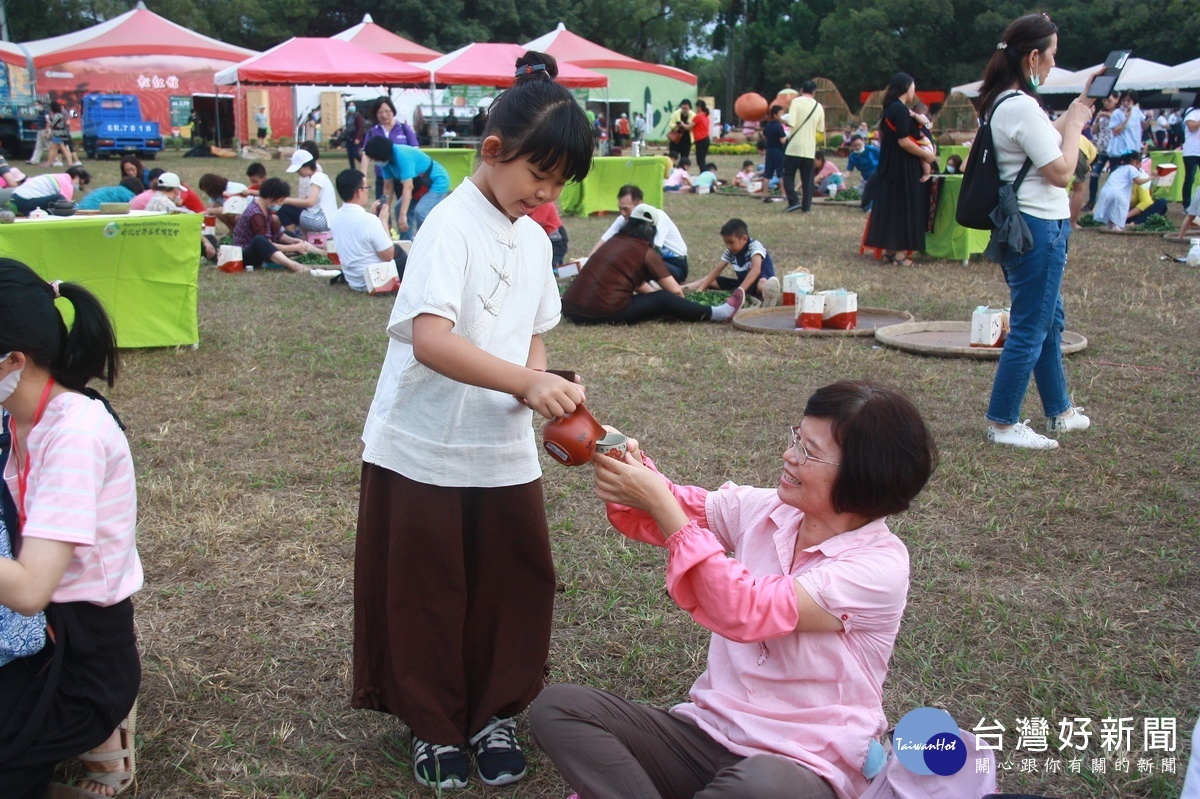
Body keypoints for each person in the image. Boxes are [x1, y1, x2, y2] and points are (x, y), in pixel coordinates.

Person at [352, 51, 593, 792]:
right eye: (539, 178)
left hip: (499, 445)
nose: (547, 194)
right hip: (424, 445)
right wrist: (525, 380)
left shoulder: (532, 238)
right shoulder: (446, 225)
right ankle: (434, 723)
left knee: (515, 578)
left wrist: (540, 382)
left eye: (559, 184)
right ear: (493, 152)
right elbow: (430, 336)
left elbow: (533, 328)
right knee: (428, 586)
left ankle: (493, 711)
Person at [531, 379, 937, 799]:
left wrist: (662, 506)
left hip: (802, 762)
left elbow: (747, 608)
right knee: (560, 708)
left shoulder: (878, 567)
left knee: (763, 785)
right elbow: (671, 505)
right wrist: (619, 455)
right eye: (796, 437)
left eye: (808, 451)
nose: (789, 455)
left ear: (864, 475)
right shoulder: (768, 510)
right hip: (708, 734)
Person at [0, 260, 143, 799]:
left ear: (13, 360)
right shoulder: (12, 412)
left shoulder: (74, 435)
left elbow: (33, 590)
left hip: (75, 652)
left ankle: (98, 725)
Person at [977, 13, 1094, 450]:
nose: (1052, 65)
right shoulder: (1020, 104)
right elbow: (1062, 171)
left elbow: (1047, 140)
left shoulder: (1007, 102)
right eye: (1051, 57)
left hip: (1027, 226)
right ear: (1032, 56)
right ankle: (1003, 422)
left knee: (1049, 320)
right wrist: (1078, 124)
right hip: (1037, 227)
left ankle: (1059, 410)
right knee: (1031, 325)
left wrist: (1078, 107)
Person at [562, 204, 743, 325]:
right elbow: (675, 292)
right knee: (664, 298)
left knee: (658, 299)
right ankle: (719, 313)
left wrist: (653, 302)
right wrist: (677, 306)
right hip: (602, 312)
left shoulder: (614, 242)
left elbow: (636, 282)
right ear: (652, 229)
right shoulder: (646, 250)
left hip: (571, 309)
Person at [863, 73, 936, 266]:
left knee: (892, 208)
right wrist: (926, 155)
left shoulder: (890, 108)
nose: (914, 91)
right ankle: (901, 255)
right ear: (906, 88)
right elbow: (904, 141)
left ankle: (890, 251)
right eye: (913, 87)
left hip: (890, 165)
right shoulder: (900, 110)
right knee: (905, 207)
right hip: (903, 167)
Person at [589, 185, 689, 281]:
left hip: (675, 265)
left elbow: (653, 253)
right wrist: (588, 262)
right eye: (620, 208)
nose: (622, 213)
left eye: (626, 209)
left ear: (640, 205)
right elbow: (604, 241)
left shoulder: (658, 217)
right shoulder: (623, 219)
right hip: (650, 262)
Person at [329, 169, 403, 292]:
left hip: (354, 280)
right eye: (366, 187)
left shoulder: (335, 217)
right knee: (401, 252)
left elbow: (358, 233)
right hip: (377, 280)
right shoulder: (370, 221)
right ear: (359, 192)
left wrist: (373, 215)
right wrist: (383, 221)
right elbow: (388, 255)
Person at [362, 137, 451, 241]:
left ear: (380, 154)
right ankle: (406, 242)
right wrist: (385, 209)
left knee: (421, 211)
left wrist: (403, 215)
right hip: (420, 184)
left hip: (436, 182)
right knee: (399, 208)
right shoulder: (386, 162)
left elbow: (408, 187)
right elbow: (388, 186)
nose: (374, 161)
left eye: (374, 159)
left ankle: (428, 241)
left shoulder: (403, 156)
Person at [231, 177, 323, 273]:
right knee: (260, 240)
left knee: (287, 233)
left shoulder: (265, 209)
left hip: (262, 246)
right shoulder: (256, 214)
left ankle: (322, 253)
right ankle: (293, 265)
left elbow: (277, 235)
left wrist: (294, 241)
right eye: (280, 200)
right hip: (246, 254)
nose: (281, 204)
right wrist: (294, 247)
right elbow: (266, 243)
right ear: (271, 198)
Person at [684, 217, 780, 306]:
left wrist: (737, 293)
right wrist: (701, 289)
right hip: (744, 285)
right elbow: (717, 271)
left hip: (760, 282)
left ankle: (768, 297)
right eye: (726, 243)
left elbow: (756, 270)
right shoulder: (730, 252)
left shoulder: (754, 246)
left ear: (744, 239)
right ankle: (683, 289)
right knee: (712, 280)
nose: (728, 246)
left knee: (762, 283)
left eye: (731, 242)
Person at [360, 97, 419, 200]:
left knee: (405, 206)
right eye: (380, 112)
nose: (384, 115)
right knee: (381, 206)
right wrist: (363, 176)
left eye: (387, 111)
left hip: (403, 176)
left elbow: (415, 151)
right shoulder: (373, 132)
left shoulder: (404, 129)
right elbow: (366, 155)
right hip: (382, 177)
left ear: (393, 111)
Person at [783, 81, 825, 213]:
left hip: (794, 146)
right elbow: (820, 128)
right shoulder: (819, 106)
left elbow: (791, 122)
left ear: (802, 90)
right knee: (807, 179)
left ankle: (793, 201)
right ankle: (806, 206)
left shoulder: (796, 102)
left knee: (788, 175)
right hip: (809, 149)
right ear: (814, 92)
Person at [278, 149, 338, 235]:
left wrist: (285, 200)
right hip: (327, 220)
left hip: (321, 221)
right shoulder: (320, 177)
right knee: (292, 209)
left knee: (283, 210)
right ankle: (305, 239)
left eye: (299, 170)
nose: (298, 173)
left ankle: (293, 239)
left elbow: (310, 202)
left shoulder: (316, 177)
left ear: (306, 166)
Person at [1092, 153, 1150, 230]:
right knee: (1120, 208)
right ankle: (1115, 225)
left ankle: (1110, 225)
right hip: (1119, 192)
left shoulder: (1118, 169)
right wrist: (1152, 177)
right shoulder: (1131, 168)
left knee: (1110, 208)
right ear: (1133, 161)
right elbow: (1138, 181)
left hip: (1106, 190)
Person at [1084, 93, 1119, 212]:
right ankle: (1091, 200)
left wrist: (1106, 115)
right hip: (1103, 149)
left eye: (1109, 101)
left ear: (1116, 100)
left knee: (1113, 177)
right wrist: (1098, 119)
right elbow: (1094, 130)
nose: (1106, 103)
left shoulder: (1118, 113)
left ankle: (1110, 203)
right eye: (1105, 101)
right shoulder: (1101, 114)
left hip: (1115, 150)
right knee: (1094, 174)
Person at [11, 166, 90, 216]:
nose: (78, 187)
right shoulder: (66, 182)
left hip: (16, 199)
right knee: (58, 199)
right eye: (80, 183)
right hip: (24, 200)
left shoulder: (57, 177)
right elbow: (66, 206)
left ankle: (25, 212)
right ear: (76, 177)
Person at [527, 201, 569, 267]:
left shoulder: (544, 203)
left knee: (545, 265)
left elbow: (532, 224)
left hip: (556, 240)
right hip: (545, 239)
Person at [1106, 91, 1144, 161]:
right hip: (1120, 151)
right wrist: (1126, 119)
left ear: (1133, 101)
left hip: (1134, 148)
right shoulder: (1116, 113)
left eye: (1128, 101)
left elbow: (1144, 125)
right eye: (1123, 100)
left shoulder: (1136, 111)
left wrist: (1150, 117)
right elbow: (1115, 132)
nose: (1126, 103)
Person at [762, 105, 787, 198]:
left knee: (767, 173)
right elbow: (782, 140)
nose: (782, 116)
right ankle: (784, 193)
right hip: (778, 151)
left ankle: (765, 193)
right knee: (781, 173)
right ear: (775, 115)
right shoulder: (779, 127)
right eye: (781, 114)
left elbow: (765, 137)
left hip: (769, 150)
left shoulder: (768, 126)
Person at [77, 176, 143, 211]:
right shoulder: (128, 194)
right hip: (94, 210)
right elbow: (135, 205)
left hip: (81, 207)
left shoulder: (113, 190)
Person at [1182, 94, 1200, 209]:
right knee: (1190, 178)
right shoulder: (1191, 111)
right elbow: (1191, 126)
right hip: (1191, 151)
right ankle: (1187, 205)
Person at [345, 101, 367, 170]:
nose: (351, 107)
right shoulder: (348, 116)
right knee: (350, 154)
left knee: (355, 153)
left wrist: (357, 138)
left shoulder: (358, 115)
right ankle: (352, 169)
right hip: (349, 136)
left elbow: (360, 127)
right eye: (350, 105)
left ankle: (363, 163)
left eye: (353, 105)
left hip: (356, 135)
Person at [692, 100, 713, 171]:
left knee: (700, 160)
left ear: (699, 107)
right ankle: (704, 173)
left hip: (700, 140)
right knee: (702, 159)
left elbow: (689, 126)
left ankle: (704, 174)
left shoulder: (698, 116)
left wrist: (682, 124)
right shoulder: (706, 116)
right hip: (706, 139)